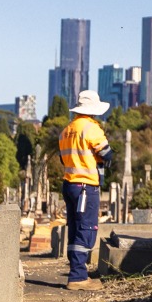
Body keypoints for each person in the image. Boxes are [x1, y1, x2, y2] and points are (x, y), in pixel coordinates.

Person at [56, 93, 112, 284]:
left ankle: (75, 271)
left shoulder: (66, 130)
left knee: (74, 228)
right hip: (86, 186)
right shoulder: (91, 128)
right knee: (86, 228)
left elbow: (63, 158)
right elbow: (106, 153)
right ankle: (78, 276)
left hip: (69, 184)